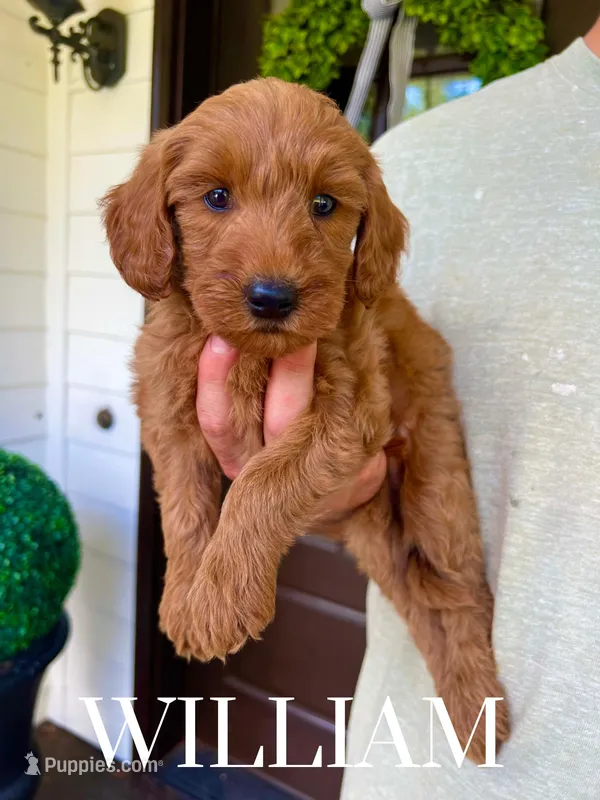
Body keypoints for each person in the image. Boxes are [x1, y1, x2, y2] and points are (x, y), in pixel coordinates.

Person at [196, 17, 600, 798]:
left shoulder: (363, 195)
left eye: (320, 207)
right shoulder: (414, 159)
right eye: (220, 196)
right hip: (418, 770)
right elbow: (354, 463)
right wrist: (309, 488)